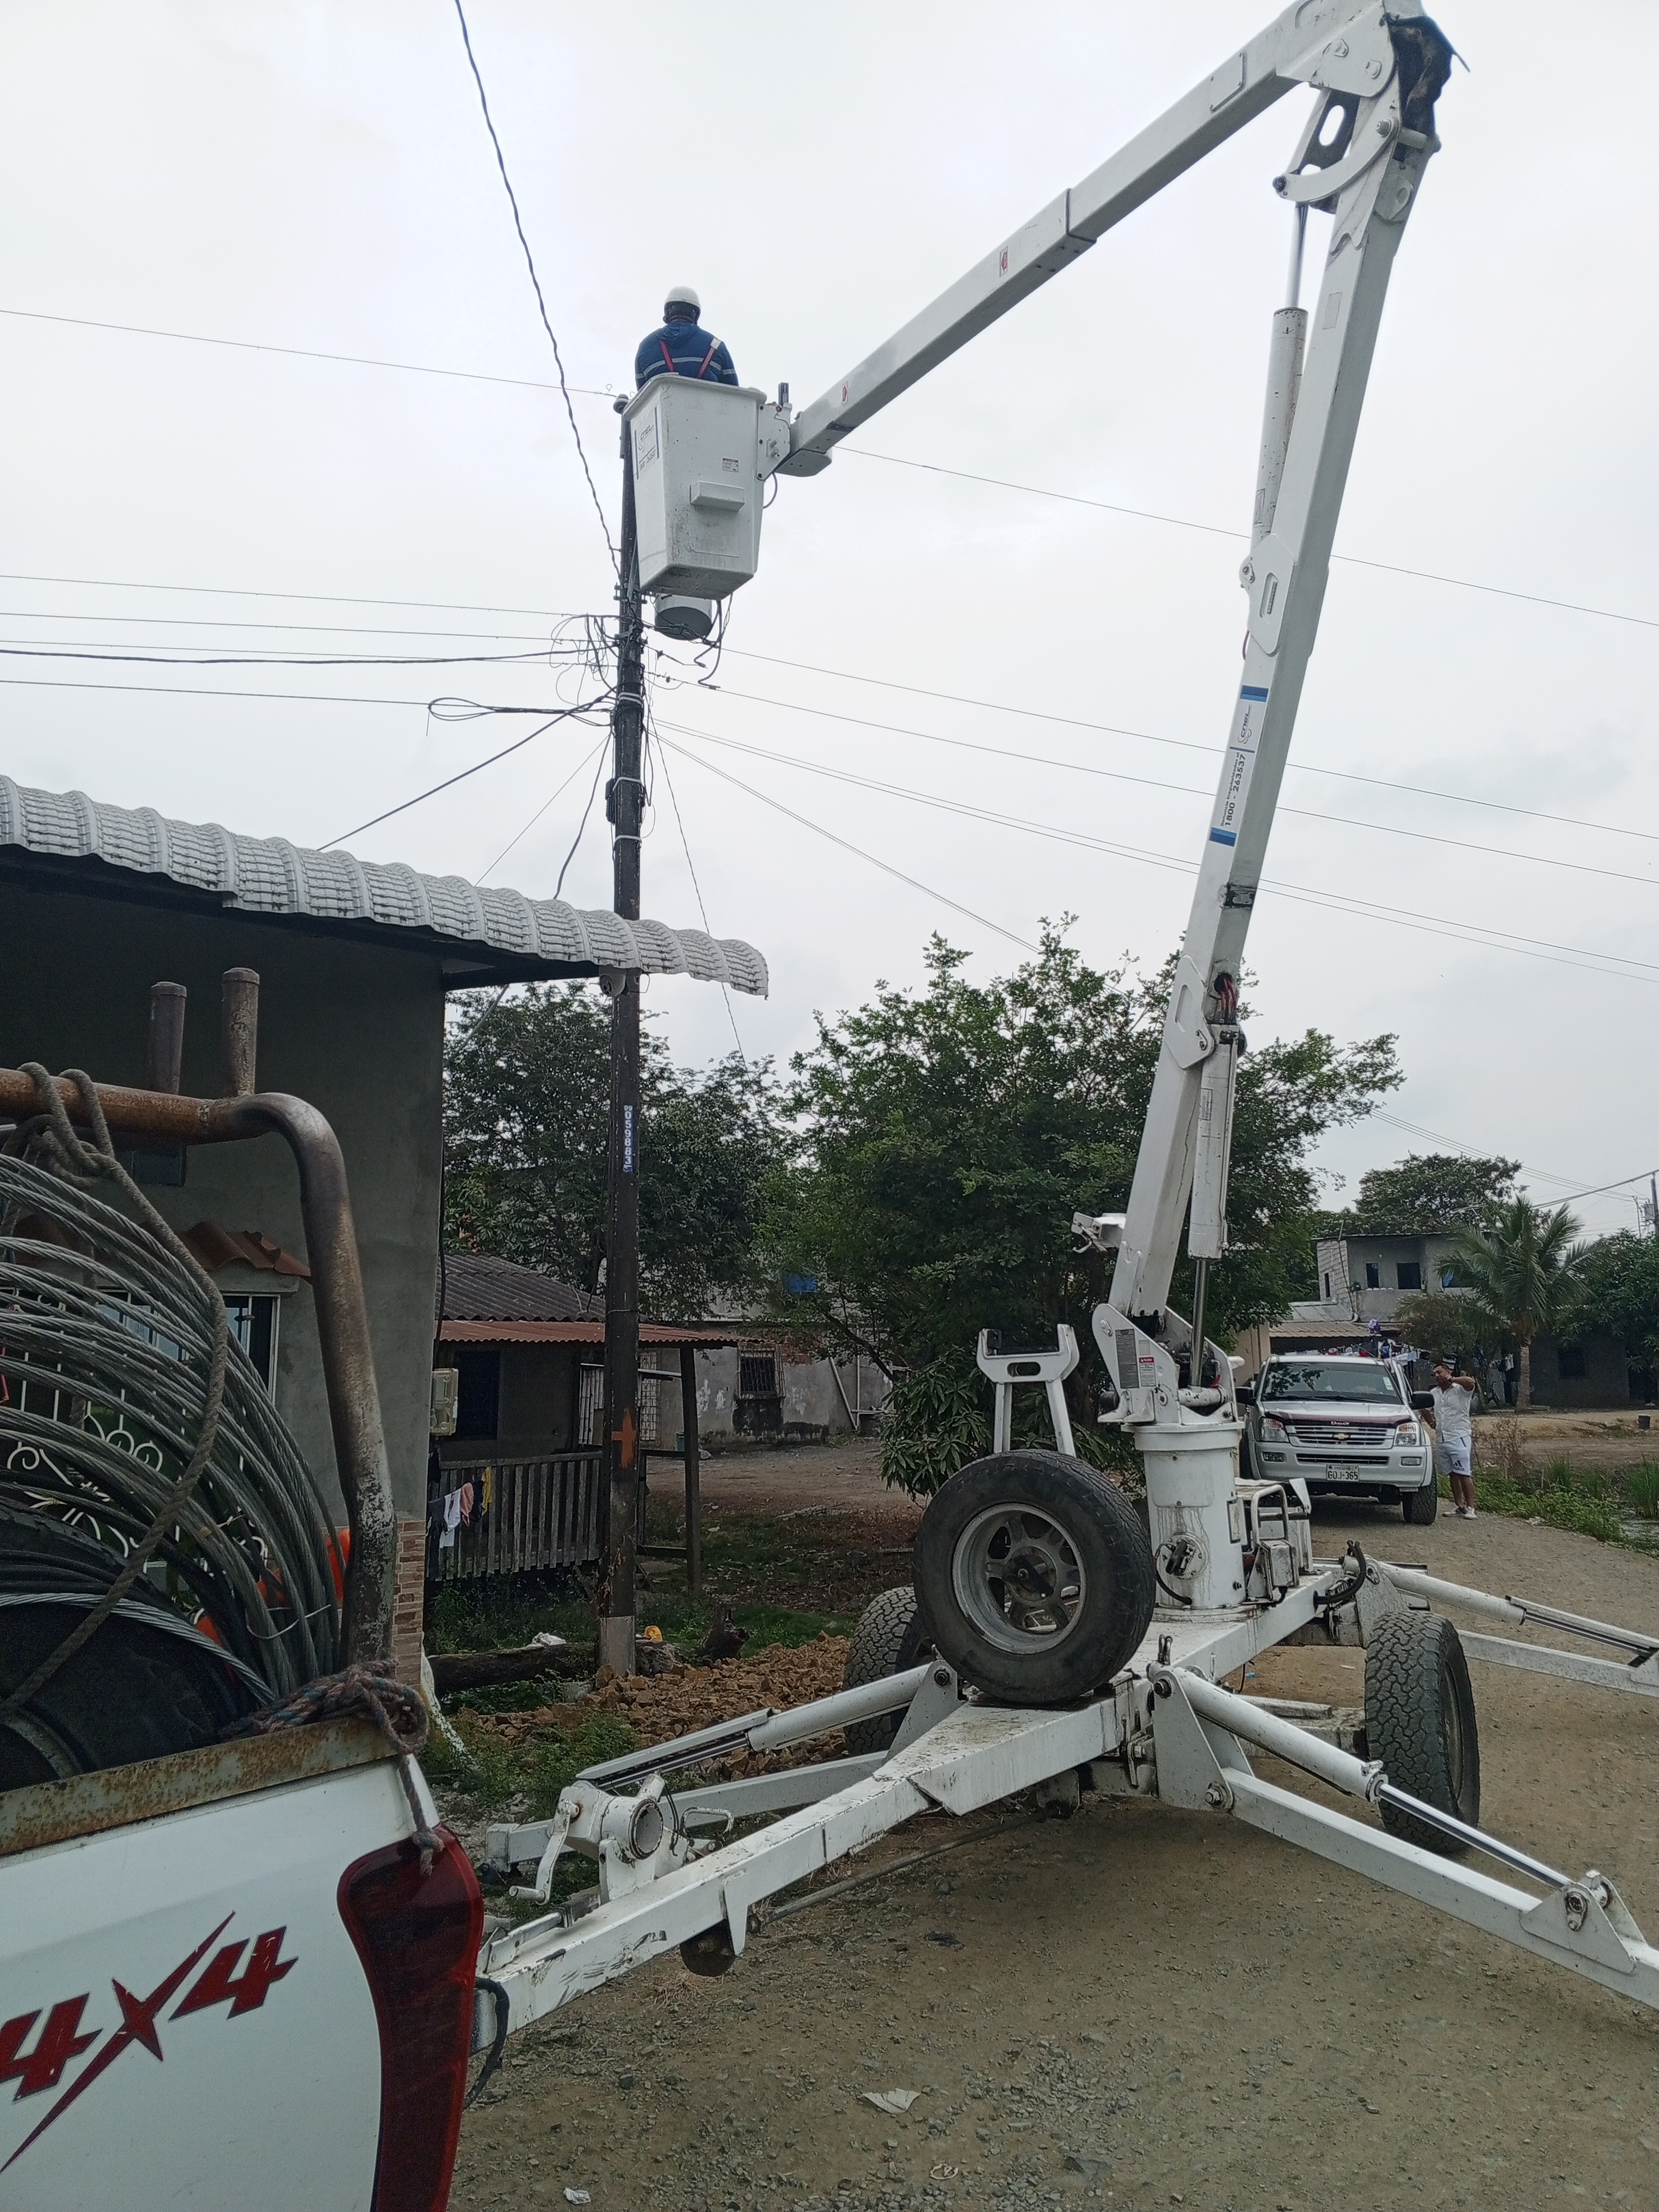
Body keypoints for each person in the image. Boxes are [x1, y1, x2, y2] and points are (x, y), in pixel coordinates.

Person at [634, 285, 739, 390]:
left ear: (668, 311)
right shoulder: (716, 346)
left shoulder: (646, 346)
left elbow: (643, 395)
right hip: (707, 402)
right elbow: (734, 394)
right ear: (695, 314)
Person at [1424, 1359, 1479, 1517]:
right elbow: (1425, 1409)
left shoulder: (1460, 1390)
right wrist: (1432, 1423)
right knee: (1453, 1473)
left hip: (1459, 1436)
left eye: (1439, 1372)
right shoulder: (1434, 1393)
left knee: (1464, 1473)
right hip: (1442, 1438)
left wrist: (1453, 1379)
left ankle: (1471, 1507)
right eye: (1435, 1374)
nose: (1437, 1376)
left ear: (1448, 1372)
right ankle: (1459, 1505)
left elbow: (1471, 1382)